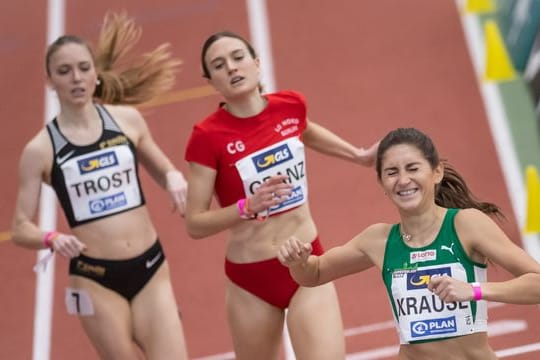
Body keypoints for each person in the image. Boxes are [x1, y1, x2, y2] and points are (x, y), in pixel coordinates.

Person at [184, 30, 378, 360]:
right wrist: (247, 206)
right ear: (212, 81)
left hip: (308, 262)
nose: (231, 67)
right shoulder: (207, 137)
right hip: (251, 278)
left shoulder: (290, 106)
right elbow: (195, 223)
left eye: (237, 57)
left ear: (257, 64)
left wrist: (356, 155)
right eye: (219, 65)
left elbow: (307, 130)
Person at [11, 12, 189, 360]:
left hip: (150, 266)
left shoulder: (125, 120)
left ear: (95, 73)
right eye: (64, 71)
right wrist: (52, 238)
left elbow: (161, 165)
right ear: (49, 80)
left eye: (83, 68)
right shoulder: (40, 150)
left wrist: (173, 178)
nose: (76, 78)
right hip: (94, 277)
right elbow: (20, 228)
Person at [278, 127, 540, 359]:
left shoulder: (466, 224)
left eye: (413, 168)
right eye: (392, 172)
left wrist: (475, 290)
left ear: (436, 172)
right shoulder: (378, 240)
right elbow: (314, 273)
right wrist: (298, 262)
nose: (403, 180)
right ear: (382, 182)